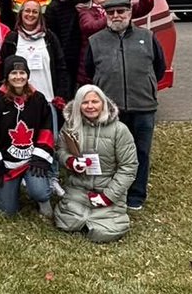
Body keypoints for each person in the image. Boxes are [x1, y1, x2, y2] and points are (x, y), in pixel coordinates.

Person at [84, 0, 166, 211]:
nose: (116, 16)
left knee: (140, 152)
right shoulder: (96, 41)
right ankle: (113, 193)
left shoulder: (147, 37)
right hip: (111, 110)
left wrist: (145, 86)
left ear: (130, 14)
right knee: (110, 154)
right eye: (111, 13)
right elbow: (90, 71)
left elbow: (159, 68)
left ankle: (136, 195)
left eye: (121, 11)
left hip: (143, 107)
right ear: (106, 15)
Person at [54, 85, 139, 243]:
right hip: (78, 186)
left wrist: (108, 196)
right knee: (65, 223)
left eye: (95, 101)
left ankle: (102, 214)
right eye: (85, 102)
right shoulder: (70, 126)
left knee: (105, 232)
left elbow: (128, 168)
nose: (90, 106)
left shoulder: (120, 130)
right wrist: (70, 161)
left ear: (103, 103)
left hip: (107, 187)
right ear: (78, 104)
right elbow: (60, 150)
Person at [0, 55, 56, 218]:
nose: (18, 77)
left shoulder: (38, 99)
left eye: (22, 72)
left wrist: (40, 158)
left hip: (31, 160)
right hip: (6, 163)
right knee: (7, 212)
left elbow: (47, 130)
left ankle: (43, 199)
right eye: (14, 73)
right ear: (7, 76)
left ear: (27, 75)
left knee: (40, 192)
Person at [76, 0, 154, 86]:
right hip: (95, 66)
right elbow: (89, 27)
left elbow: (144, 7)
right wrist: (113, 16)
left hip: (119, 63)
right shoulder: (85, 10)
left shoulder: (122, 6)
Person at [0, 0, 69, 104]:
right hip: (19, 101)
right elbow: (4, 69)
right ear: (21, 13)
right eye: (27, 11)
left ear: (40, 15)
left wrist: (61, 95)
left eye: (35, 12)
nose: (30, 14)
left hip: (48, 98)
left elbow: (61, 67)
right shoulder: (12, 38)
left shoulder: (49, 37)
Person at [44, 0, 86, 90]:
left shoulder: (87, 1)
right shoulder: (55, 6)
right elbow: (51, 34)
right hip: (64, 56)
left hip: (82, 56)